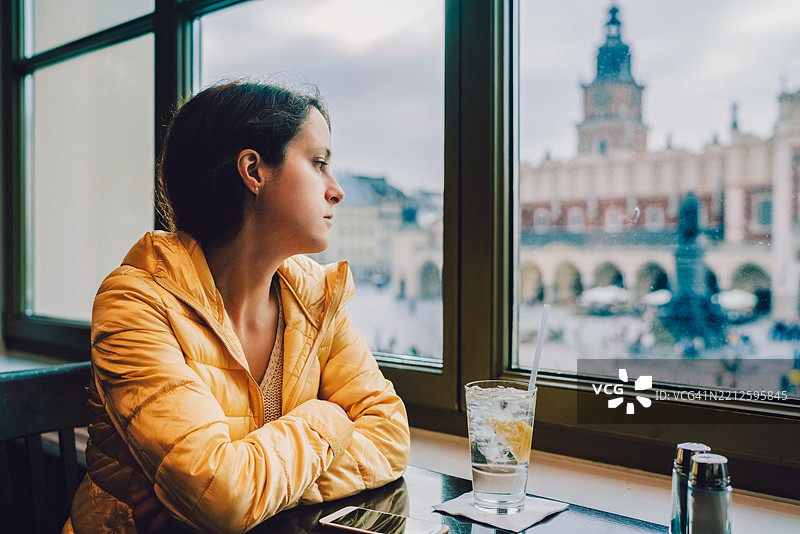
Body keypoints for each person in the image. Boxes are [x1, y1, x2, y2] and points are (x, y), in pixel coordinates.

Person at [62, 81, 410, 533]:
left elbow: (389, 436)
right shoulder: (136, 302)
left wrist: (232, 494)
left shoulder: (317, 297)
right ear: (253, 171)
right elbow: (221, 493)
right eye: (319, 163)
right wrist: (328, 418)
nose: (336, 190)